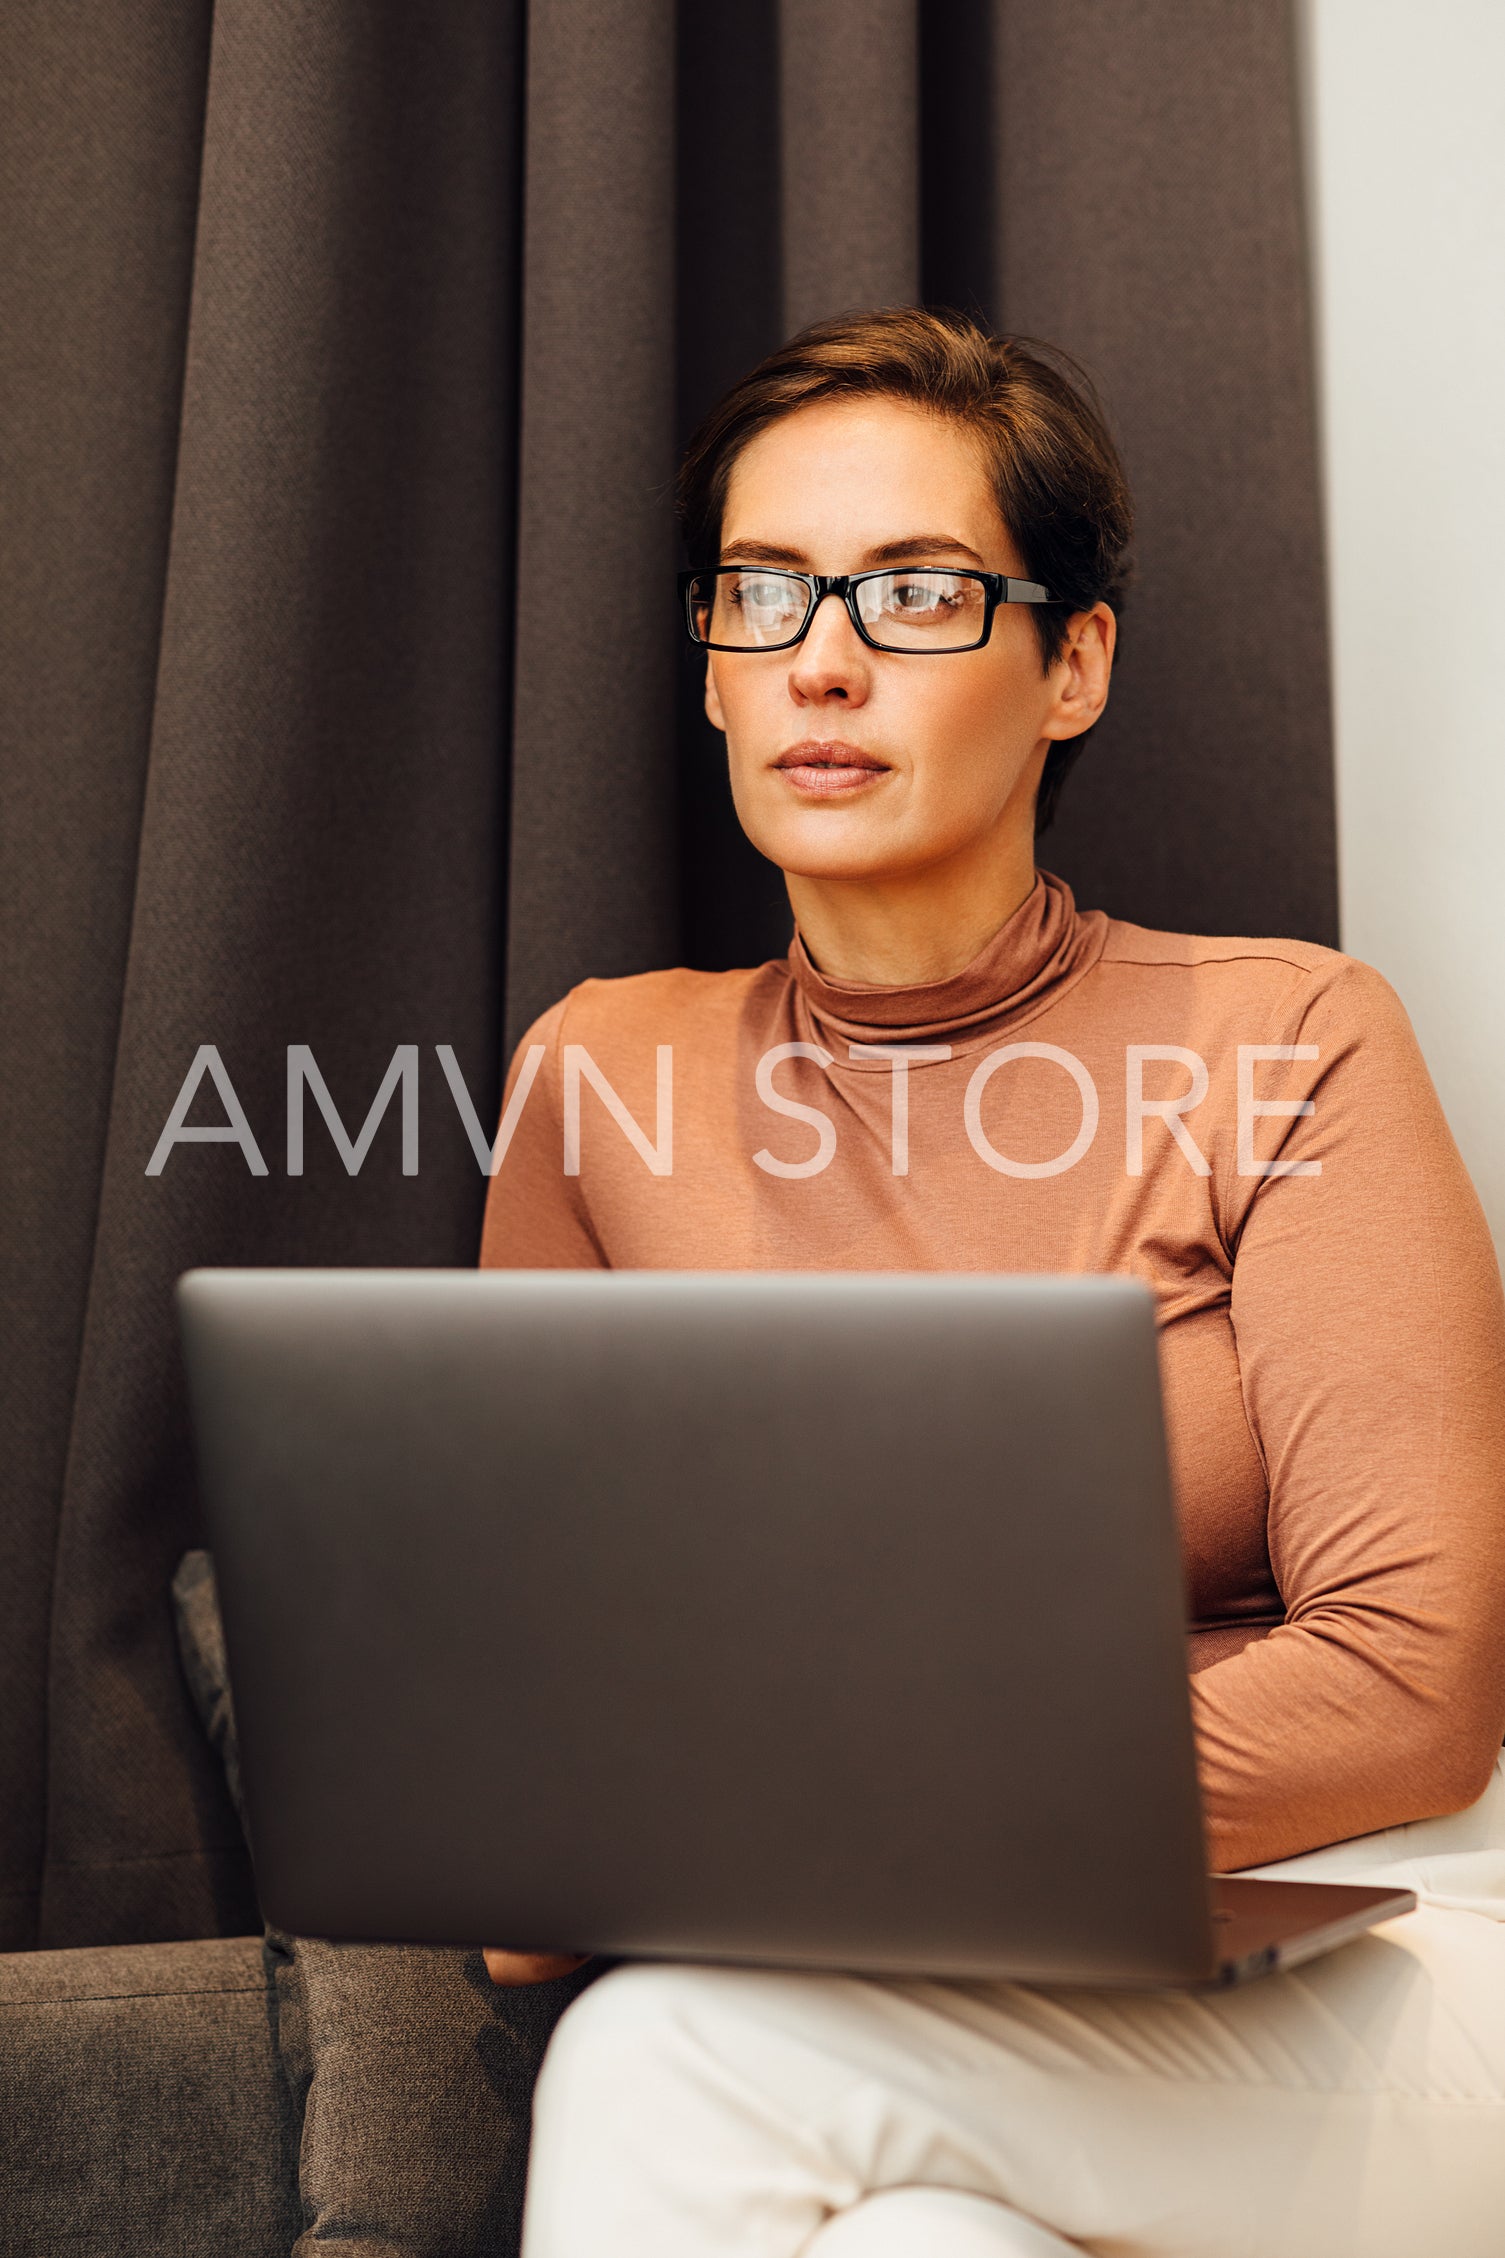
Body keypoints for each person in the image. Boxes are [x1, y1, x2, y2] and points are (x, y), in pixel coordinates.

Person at [477, 309, 1505, 2255]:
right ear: (709, 667)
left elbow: (1411, 1687)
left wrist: (814, 1817)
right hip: (885, 1984)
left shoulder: (1290, 1036)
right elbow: (549, 1762)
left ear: (1073, 666)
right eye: (762, 594)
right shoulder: (596, 1074)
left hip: (1395, 1935)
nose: (826, 660)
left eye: (920, 595)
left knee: (671, 2055)